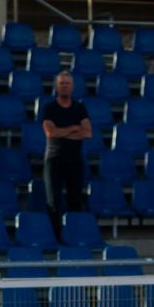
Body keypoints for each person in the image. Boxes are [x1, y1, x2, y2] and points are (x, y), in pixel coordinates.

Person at [41, 70, 92, 237]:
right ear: (56, 87)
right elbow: (51, 133)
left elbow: (87, 133)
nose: (65, 86)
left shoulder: (79, 108)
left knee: (75, 200)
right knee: (53, 202)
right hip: (54, 160)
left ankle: (74, 236)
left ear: (72, 87)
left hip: (74, 160)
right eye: (62, 83)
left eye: (68, 83)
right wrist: (73, 128)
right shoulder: (49, 108)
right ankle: (55, 237)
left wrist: (62, 131)